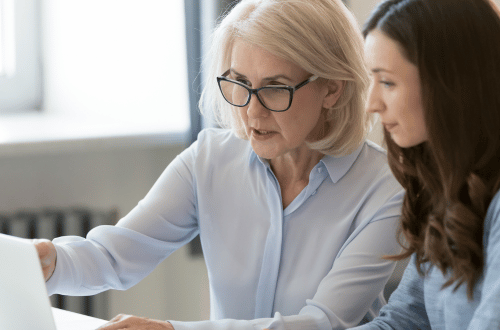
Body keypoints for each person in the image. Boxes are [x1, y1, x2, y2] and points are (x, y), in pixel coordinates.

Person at [35, 0, 404, 329]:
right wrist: (51, 260)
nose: (251, 111)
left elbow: (322, 322)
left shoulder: (385, 188)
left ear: (332, 88)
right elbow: (115, 255)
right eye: (239, 82)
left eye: (275, 87)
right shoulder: (210, 159)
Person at [352, 0, 500, 329]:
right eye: (371, 81)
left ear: (449, 84)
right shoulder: (447, 185)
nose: (371, 104)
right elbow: (405, 319)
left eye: (387, 82)